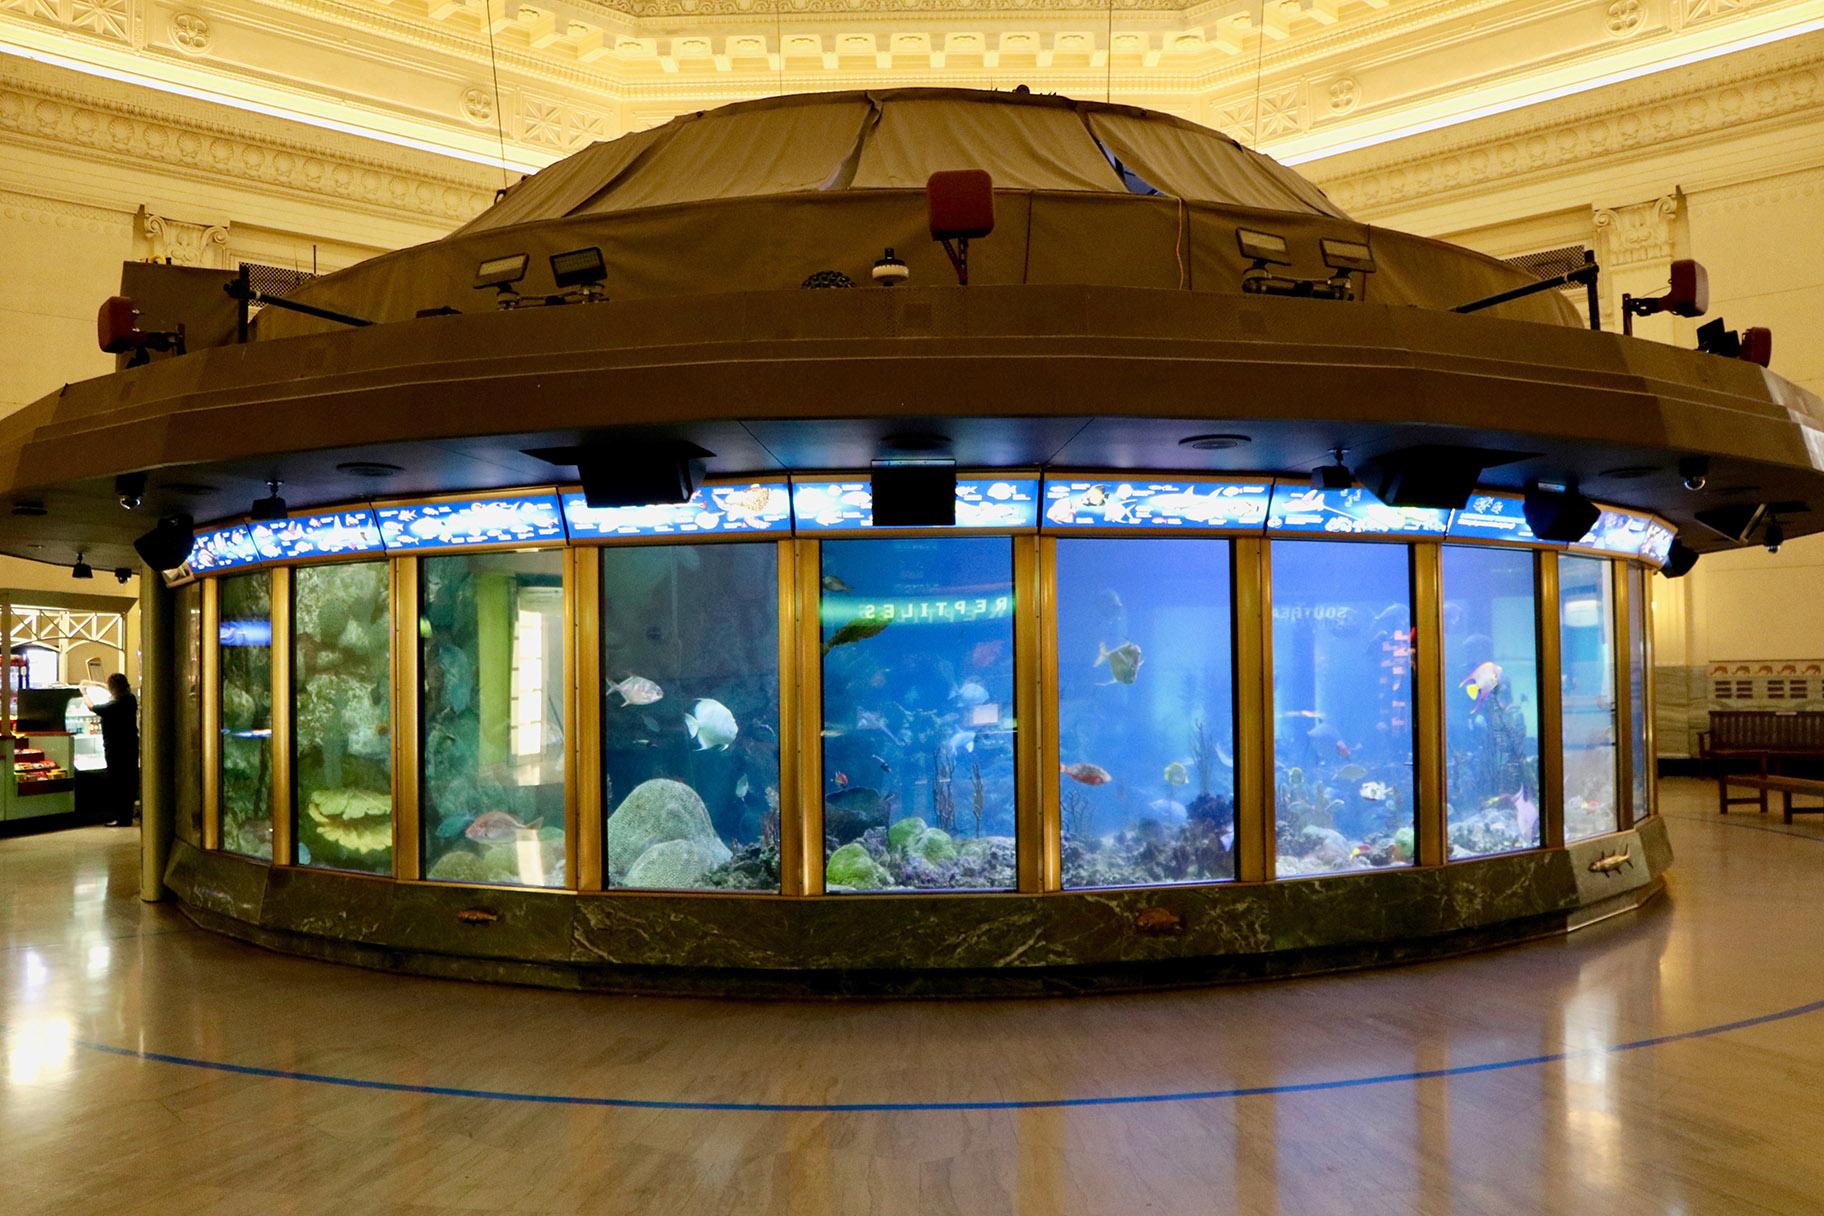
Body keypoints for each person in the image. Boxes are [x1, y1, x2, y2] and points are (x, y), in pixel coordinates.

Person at [92, 673, 139, 828]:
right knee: (128, 782)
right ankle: (127, 815)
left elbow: (92, 707)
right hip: (130, 748)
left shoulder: (114, 705)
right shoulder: (130, 699)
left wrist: (84, 692)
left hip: (116, 750)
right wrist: (99, 685)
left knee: (118, 783)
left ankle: (121, 818)